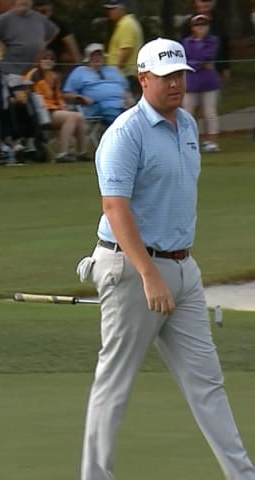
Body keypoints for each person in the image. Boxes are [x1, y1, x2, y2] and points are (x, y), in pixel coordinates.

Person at [80, 38, 255, 480]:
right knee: (115, 384)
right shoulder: (125, 133)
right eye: (165, 76)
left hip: (183, 269)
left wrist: (172, 272)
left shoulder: (189, 126)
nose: (175, 83)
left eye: (180, 75)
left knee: (207, 383)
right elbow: (114, 208)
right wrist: (148, 274)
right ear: (143, 79)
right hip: (133, 269)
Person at [24, 49, 88, 162]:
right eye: (44, 58)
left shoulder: (54, 77)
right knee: (71, 117)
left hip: (54, 109)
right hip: (42, 112)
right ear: (39, 60)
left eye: (51, 59)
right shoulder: (33, 74)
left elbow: (58, 96)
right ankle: (62, 153)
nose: (48, 61)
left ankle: (81, 152)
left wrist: (63, 105)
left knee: (79, 116)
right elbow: (31, 95)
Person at [0, 0, 58, 78]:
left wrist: (44, 44)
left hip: (34, 70)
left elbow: (55, 30)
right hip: (12, 71)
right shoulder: (6, 17)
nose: (25, 1)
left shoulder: (39, 18)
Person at [63, 43, 133, 126]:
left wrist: (129, 98)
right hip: (96, 106)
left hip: (123, 105)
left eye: (100, 55)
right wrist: (81, 97)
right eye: (94, 55)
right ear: (87, 58)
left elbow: (125, 89)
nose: (97, 58)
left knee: (139, 112)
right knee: (115, 113)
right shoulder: (80, 71)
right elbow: (66, 94)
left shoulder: (112, 70)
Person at [182, 14, 222, 153]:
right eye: (198, 25)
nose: (201, 28)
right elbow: (184, 60)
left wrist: (194, 63)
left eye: (204, 25)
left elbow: (208, 56)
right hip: (190, 83)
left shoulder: (213, 40)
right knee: (188, 114)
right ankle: (190, 142)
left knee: (209, 113)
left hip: (208, 82)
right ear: (192, 27)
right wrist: (200, 64)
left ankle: (211, 142)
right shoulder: (185, 42)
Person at [179, 0, 230, 83]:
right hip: (192, 73)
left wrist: (225, 67)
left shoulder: (219, 22)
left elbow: (224, 46)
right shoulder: (188, 23)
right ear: (196, 2)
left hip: (214, 71)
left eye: (209, 0)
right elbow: (182, 48)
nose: (206, 4)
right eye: (202, 1)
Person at [102, 0, 143, 96]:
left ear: (121, 9)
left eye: (112, 9)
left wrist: (113, 72)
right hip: (124, 75)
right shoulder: (125, 23)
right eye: (108, 9)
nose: (109, 12)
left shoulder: (126, 25)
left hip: (126, 75)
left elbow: (126, 49)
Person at [32, 0, 80, 73]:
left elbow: (74, 52)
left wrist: (79, 71)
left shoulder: (59, 25)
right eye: (39, 12)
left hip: (54, 69)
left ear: (51, 8)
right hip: (32, 69)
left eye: (43, 12)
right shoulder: (28, 24)